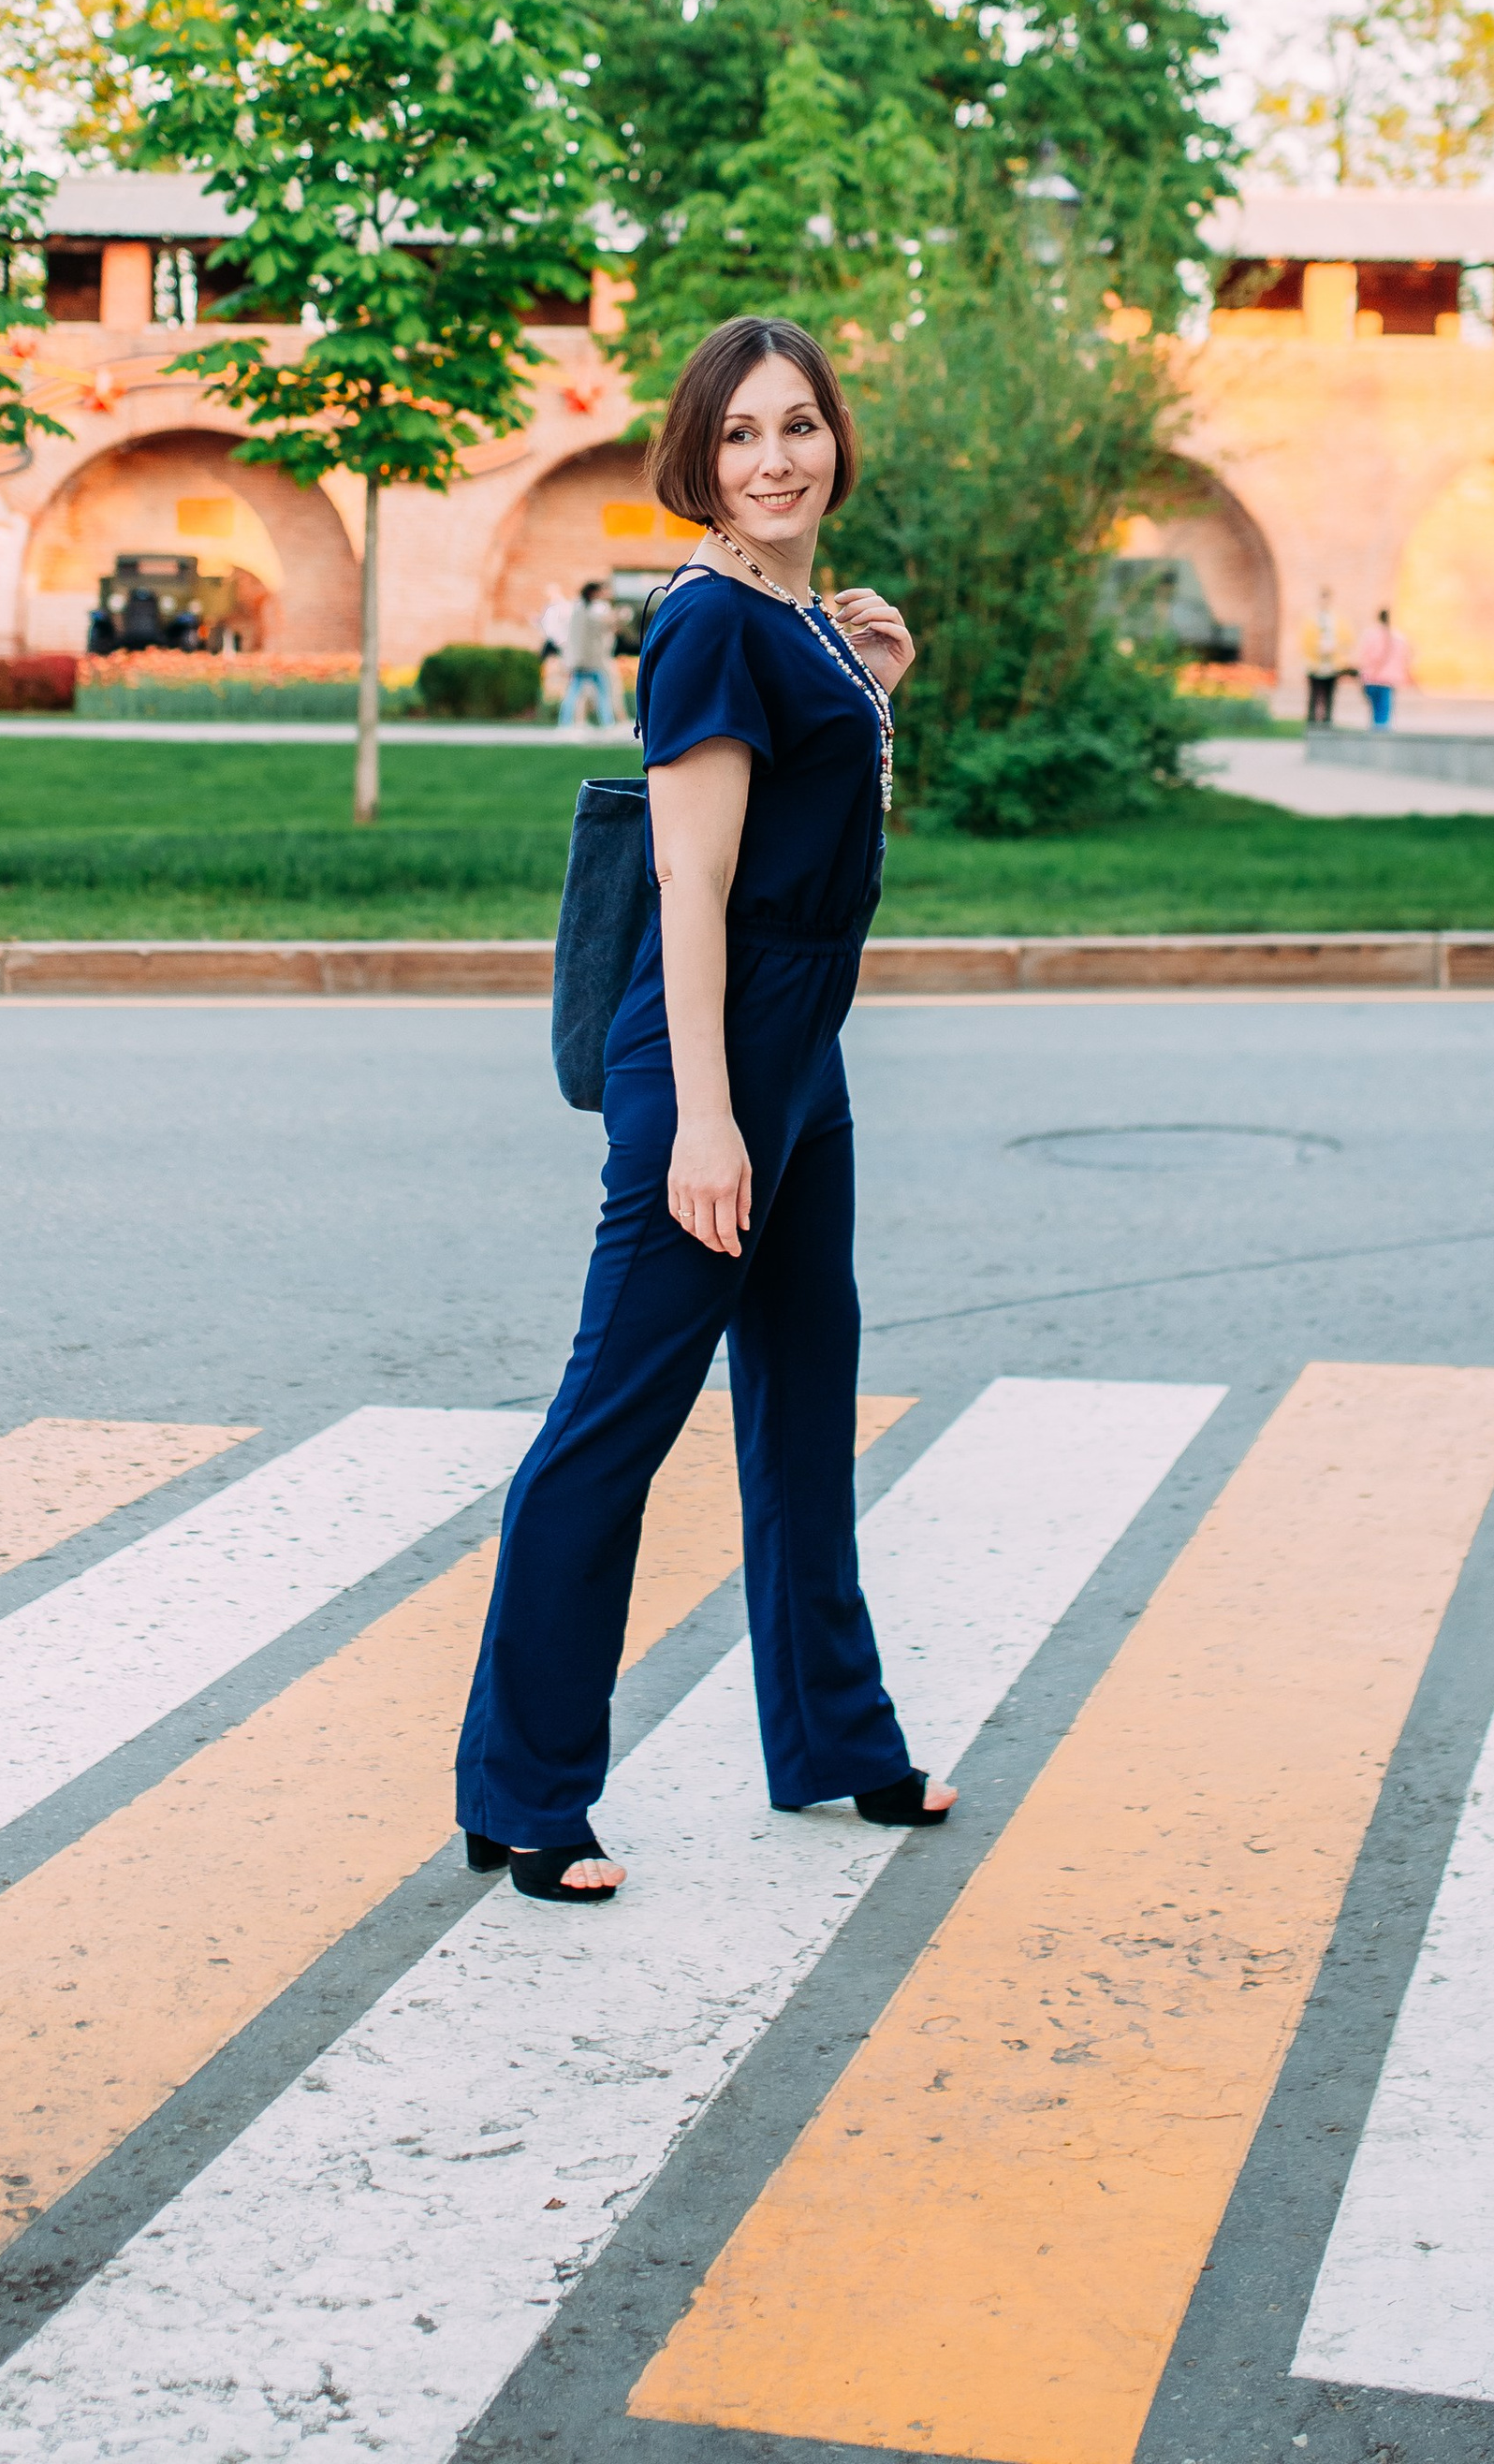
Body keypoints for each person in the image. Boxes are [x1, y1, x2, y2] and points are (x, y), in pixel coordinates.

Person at [455, 315, 952, 1901]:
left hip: (805, 1057)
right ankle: (524, 1792)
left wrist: (877, 687)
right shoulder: (709, 627)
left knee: (808, 1400)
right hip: (717, 1063)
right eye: (741, 436)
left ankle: (834, 1737)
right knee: (616, 1419)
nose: (775, 459)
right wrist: (707, 1123)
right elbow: (692, 881)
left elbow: (825, 832)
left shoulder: (799, 623)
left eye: (798, 425)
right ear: (699, 459)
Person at [560, 577, 622, 729]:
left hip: (583, 660)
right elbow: (599, 626)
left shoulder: (581, 609)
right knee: (601, 690)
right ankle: (608, 723)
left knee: (576, 691)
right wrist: (618, 618)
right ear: (593, 593)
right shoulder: (584, 611)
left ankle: (566, 723)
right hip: (589, 661)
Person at [1357, 605, 1413, 729]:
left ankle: (1374, 734)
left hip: (1371, 679)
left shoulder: (1370, 635)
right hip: (1388, 680)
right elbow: (1404, 659)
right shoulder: (1398, 637)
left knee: (1374, 710)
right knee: (1383, 713)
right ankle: (1380, 738)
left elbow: (1364, 657)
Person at [1301, 589, 1347, 726]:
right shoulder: (1311, 619)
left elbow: (1345, 639)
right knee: (1314, 695)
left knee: (1329, 696)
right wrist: (1317, 649)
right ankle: (1312, 722)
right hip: (1315, 663)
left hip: (1332, 663)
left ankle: (1327, 721)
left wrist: (1334, 648)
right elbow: (1305, 641)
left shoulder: (1337, 620)